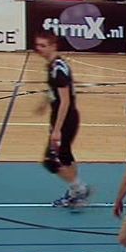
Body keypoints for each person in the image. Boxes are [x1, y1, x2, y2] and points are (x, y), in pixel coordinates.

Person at [34, 31, 91, 208]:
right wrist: (44, 103)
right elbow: (55, 91)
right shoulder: (54, 65)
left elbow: (65, 101)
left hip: (65, 119)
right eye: (38, 45)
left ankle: (79, 189)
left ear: (53, 46)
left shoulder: (58, 70)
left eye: (43, 46)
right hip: (63, 117)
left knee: (50, 161)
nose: (39, 49)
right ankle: (76, 193)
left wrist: (57, 129)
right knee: (65, 156)